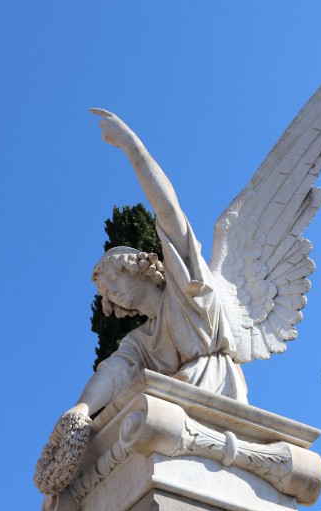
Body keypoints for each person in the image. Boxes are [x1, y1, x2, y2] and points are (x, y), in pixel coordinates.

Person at [52, 110, 247, 440]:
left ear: (136, 268)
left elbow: (169, 209)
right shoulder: (140, 341)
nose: (111, 292)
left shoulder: (187, 286)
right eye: (106, 293)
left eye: (113, 280)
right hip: (173, 405)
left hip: (215, 392)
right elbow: (113, 372)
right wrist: (82, 409)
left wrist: (131, 146)